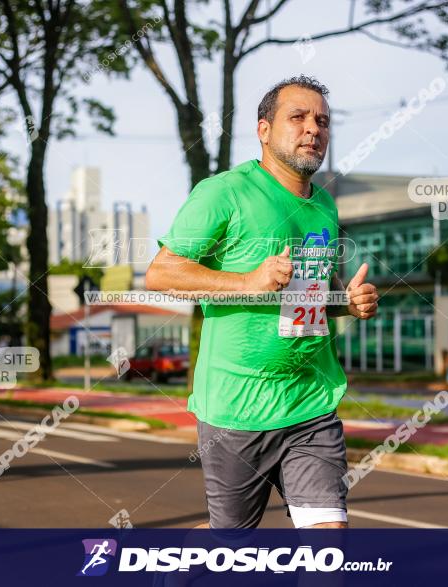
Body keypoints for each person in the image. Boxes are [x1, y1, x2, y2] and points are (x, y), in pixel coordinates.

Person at [145, 76, 378, 529]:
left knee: (329, 543)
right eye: (298, 117)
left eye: (322, 121)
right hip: (237, 407)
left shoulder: (325, 205)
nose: (314, 129)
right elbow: (161, 273)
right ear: (264, 130)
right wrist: (249, 280)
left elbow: (305, 292)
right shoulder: (224, 192)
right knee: (230, 545)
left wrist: (344, 303)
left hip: (310, 400)